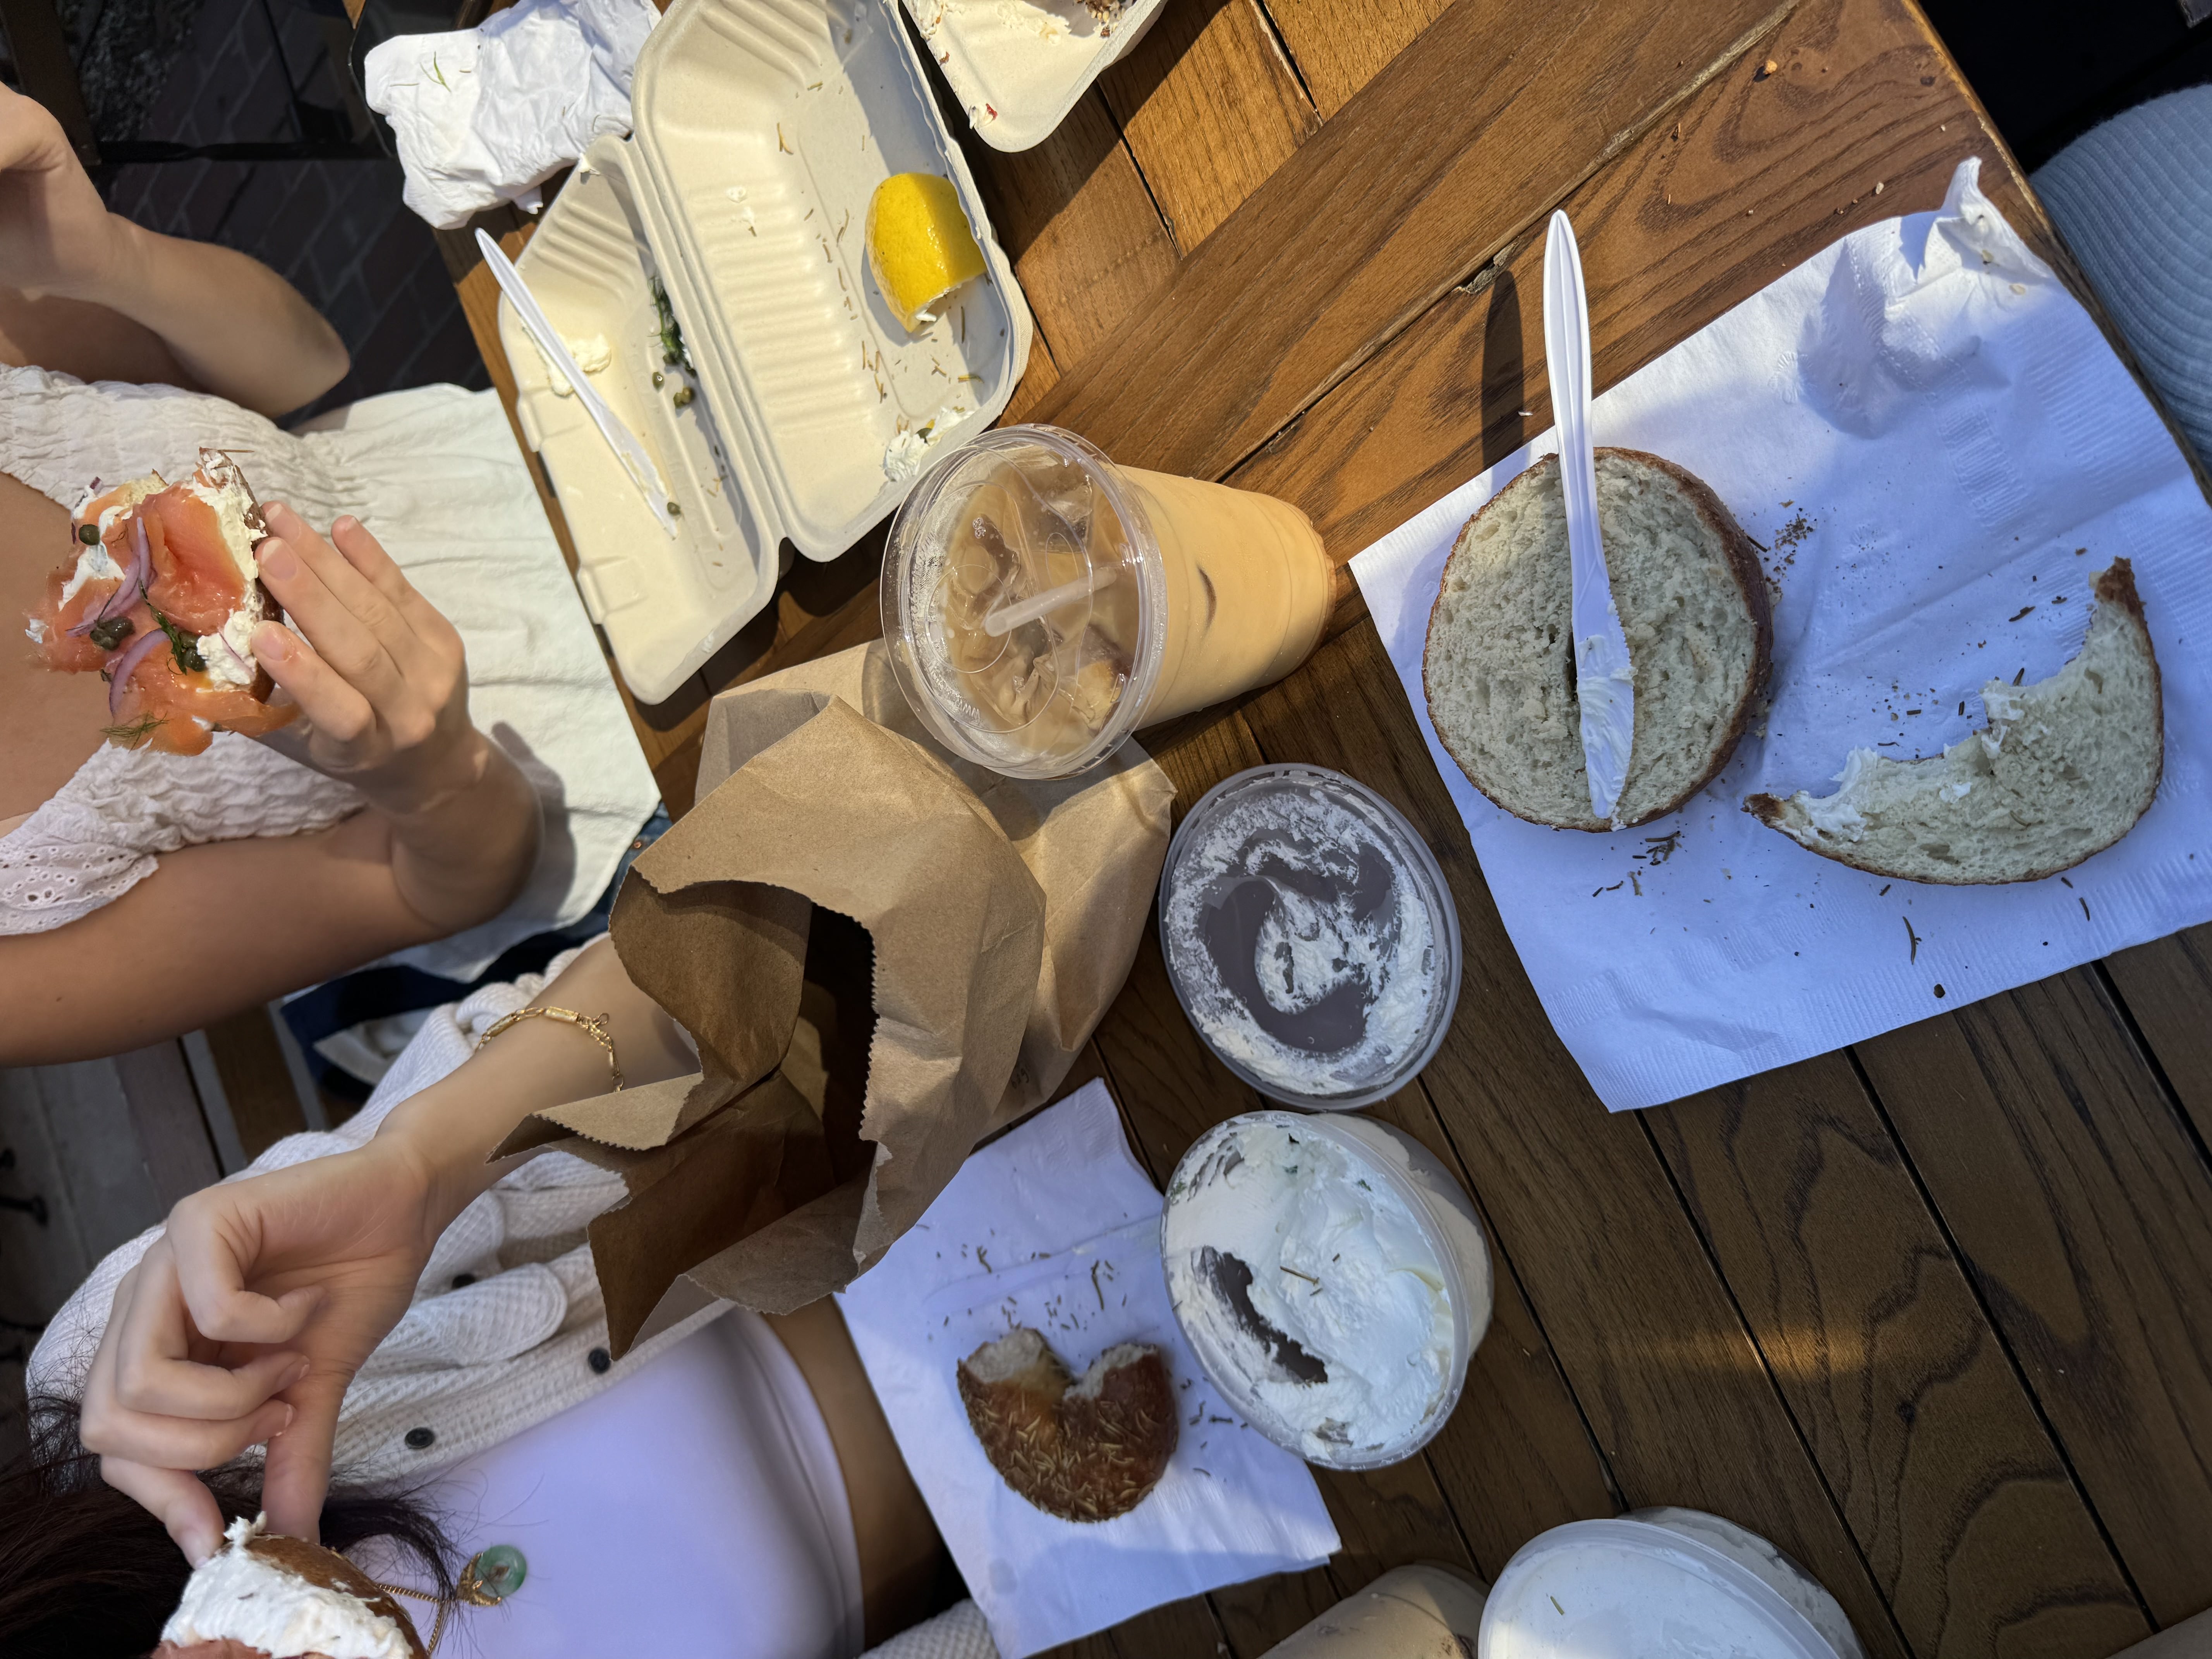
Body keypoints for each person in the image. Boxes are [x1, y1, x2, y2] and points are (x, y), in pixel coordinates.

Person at [7, 933, 996, 1659]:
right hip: (1087, 1543)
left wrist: (424, 1164)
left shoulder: (143, 1394)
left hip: (974, 1123)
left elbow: (689, 971)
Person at [0, 83, 659, 1064]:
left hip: (548, 454)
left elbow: (306, 364)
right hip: (583, 824)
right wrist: (429, 771)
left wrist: (107, 259)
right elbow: (435, 885)